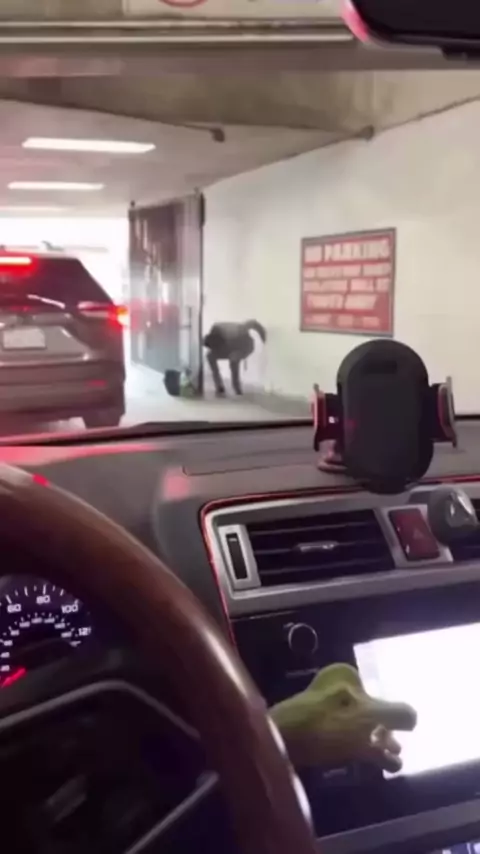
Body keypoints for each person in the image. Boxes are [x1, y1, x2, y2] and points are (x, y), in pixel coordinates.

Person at [203, 319, 267, 397]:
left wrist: (263, 337)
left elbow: (252, 323)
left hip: (245, 346)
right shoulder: (215, 334)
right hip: (226, 345)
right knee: (210, 356)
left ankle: (236, 388)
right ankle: (219, 385)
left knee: (234, 359)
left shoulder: (235, 331)